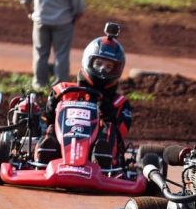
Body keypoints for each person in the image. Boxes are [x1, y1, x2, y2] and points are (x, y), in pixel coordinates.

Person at [34, 23, 132, 169]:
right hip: (60, 147)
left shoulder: (119, 103)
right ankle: (46, 153)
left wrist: (107, 114)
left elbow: (120, 134)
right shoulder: (63, 90)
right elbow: (44, 120)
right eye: (98, 64)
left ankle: (102, 159)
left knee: (109, 128)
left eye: (108, 67)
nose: (102, 70)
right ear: (89, 62)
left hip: (98, 159)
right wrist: (51, 105)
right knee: (50, 127)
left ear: (116, 69)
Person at [19, 0, 86, 90]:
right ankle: (61, 87)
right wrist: (76, 15)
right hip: (63, 21)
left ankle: (39, 85)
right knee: (61, 55)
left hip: (41, 19)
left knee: (40, 53)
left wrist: (29, 13)